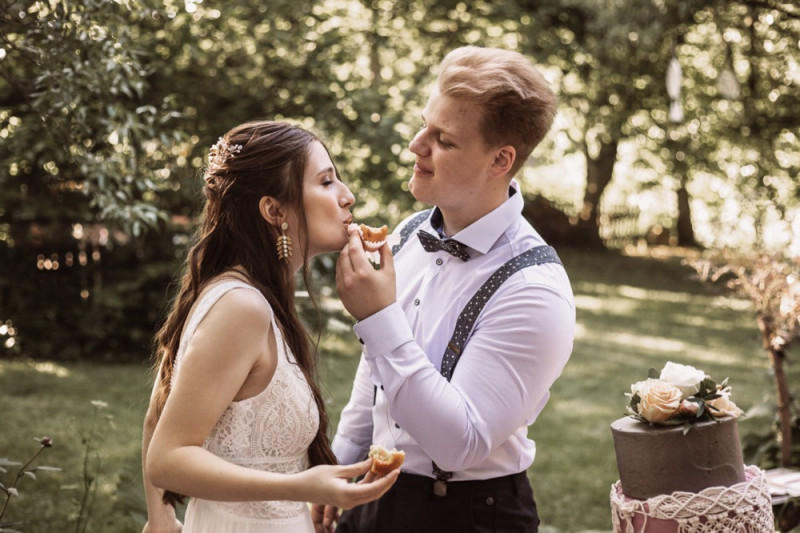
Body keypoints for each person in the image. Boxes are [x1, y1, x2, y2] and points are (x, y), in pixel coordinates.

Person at [318, 47, 576, 532]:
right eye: (423, 126)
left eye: (444, 140)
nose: (416, 146)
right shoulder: (406, 236)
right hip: (372, 499)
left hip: (467, 515)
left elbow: (460, 443)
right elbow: (375, 371)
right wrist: (342, 463)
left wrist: (378, 317)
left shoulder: (533, 289)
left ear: (501, 160)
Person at [141, 121, 400, 533]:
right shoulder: (242, 306)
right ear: (274, 210)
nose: (347, 196)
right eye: (327, 182)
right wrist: (299, 487)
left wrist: (162, 520)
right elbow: (167, 458)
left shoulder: (249, 295)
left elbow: (162, 410)